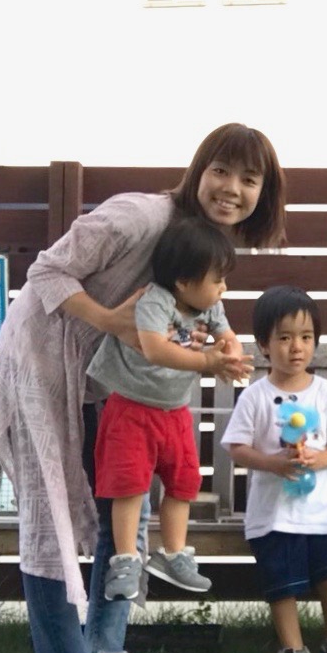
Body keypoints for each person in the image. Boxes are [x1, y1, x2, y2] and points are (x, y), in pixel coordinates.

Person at [0, 123, 286, 653]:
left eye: (249, 180)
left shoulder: (203, 245)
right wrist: (108, 320)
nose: (232, 188)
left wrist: (217, 349)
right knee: (50, 512)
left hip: (103, 379)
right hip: (41, 362)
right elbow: (46, 271)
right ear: (198, 171)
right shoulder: (138, 217)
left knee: (123, 507)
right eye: (220, 171)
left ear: (263, 193)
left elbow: (187, 321)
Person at [87, 216, 245, 602]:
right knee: (128, 486)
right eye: (217, 279)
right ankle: (126, 559)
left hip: (175, 413)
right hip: (131, 410)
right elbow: (155, 349)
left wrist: (232, 355)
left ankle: (173, 555)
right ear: (184, 282)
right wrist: (207, 362)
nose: (223, 287)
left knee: (183, 482)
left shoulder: (211, 306)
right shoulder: (154, 301)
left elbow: (228, 337)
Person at [221, 286, 327, 653]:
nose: (296, 347)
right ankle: (294, 651)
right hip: (276, 514)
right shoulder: (255, 396)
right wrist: (272, 464)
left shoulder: (324, 393)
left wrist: (316, 460)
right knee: (281, 582)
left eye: (306, 337)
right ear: (264, 344)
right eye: (284, 338)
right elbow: (237, 447)